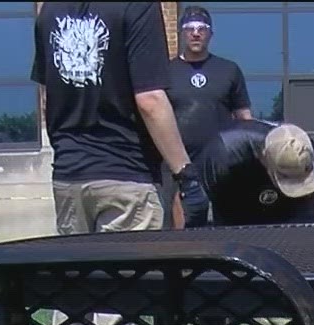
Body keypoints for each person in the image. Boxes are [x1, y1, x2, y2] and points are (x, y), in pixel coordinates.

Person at [34, 1, 195, 234]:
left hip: (69, 176)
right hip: (126, 175)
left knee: (78, 268)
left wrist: (65, 147)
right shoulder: (137, 7)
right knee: (130, 269)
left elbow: (47, 93)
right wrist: (184, 172)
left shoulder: (50, 9)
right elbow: (150, 99)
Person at [166, 5, 253, 227]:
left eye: (202, 28)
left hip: (221, 165)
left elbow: (245, 119)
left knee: (226, 229)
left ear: (210, 34)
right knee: (182, 232)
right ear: (182, 33)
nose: (196, 33)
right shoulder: (165, 72)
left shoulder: (229, 70)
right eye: (190, 28)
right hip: (179, 166)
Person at [196, 119, 314, 225]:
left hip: (287, 220)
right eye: (285, 178)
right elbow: (197, 210)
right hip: (230, 218)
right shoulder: (221, 155)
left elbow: (305, 231)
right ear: (263, 157)